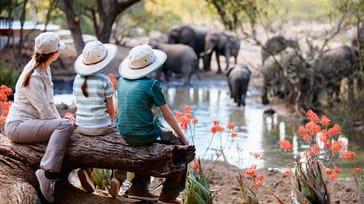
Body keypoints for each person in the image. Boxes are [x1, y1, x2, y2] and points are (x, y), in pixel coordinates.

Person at [4, 32, 74, 203]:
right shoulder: (33, 76)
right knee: (66, 127)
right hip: (17, 126)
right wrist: (64, 123)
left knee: (66, 125)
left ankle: (59, 177)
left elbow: (50, 103)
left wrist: (63, 120)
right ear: (54, 53)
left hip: (31, 123)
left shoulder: (44, 68)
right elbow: (45, 113)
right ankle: (48, 173)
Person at [116, 44, 189, 204]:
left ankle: (139, 188)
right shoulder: (152, 84)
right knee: (181, 150)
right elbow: (167, 114)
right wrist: (182, 137)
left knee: (146, 136)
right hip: (145, 135)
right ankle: (168, 195)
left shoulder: (121, 81)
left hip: (123, 133)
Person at [72, 40, 122, 195]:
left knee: (92, 144)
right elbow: (110, 109)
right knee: (122, 143)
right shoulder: (104, 81)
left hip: (81, 126)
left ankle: (86, 171)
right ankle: (118, 178)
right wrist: (113, 123)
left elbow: (78, 104)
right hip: (101, 126)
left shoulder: (77, 79)